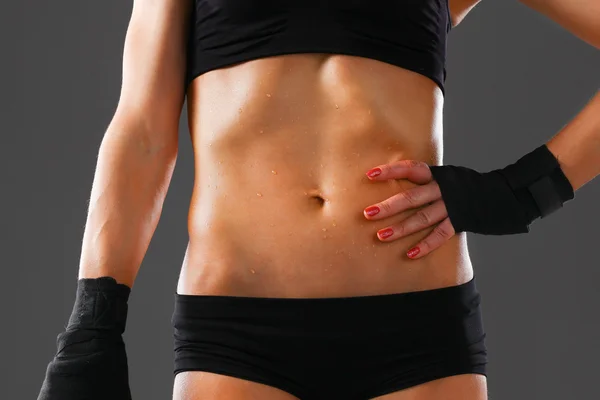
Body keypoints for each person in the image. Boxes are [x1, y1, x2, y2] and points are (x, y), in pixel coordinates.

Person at [37, 0, 599, 399]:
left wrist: (520, 193)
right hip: (239, 335)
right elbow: (142, 133)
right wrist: (94, 324)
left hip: (418, 333)